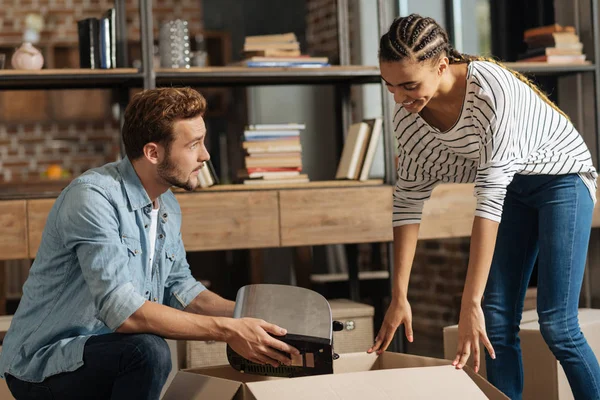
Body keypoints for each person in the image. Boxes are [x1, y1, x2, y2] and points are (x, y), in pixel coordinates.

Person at [0, 87, 299, 400]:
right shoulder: (92, 198)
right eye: (194, 144)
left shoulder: (166, 205)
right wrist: (227, 330)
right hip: (42, 364)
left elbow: (181, 289)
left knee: (145, 349)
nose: (205, 155)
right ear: (153, 153)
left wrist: (254, 318)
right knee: (147, 351)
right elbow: (123, 311)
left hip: (105, 353)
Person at [367, 14, 600, 400]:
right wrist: (399, 295)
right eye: (389, 85)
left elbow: (489, 202)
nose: (399, 98)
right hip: (513, 188)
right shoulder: (407, 119)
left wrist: (468, 302)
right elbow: (407, 203)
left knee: (558, 324)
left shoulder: (491, 91)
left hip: (562, 178)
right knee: (496, 320)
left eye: (409, 85)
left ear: (442, 66)